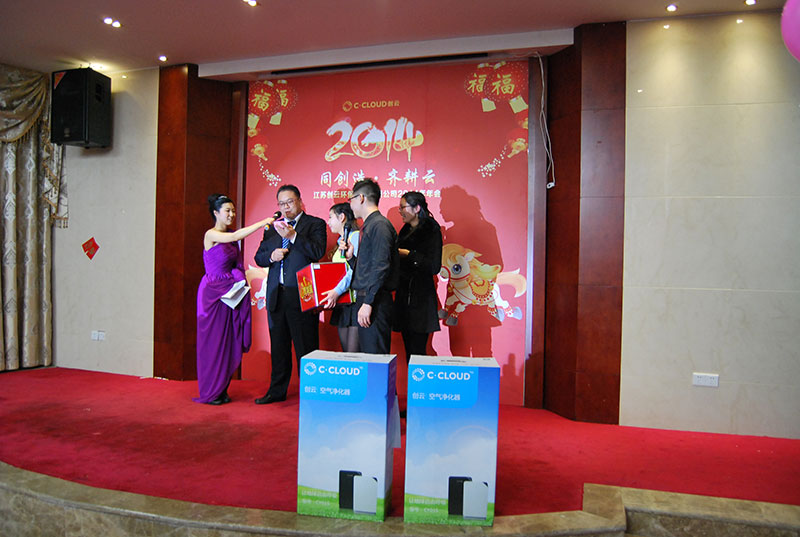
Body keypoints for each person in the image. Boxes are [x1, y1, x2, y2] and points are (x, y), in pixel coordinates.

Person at [195, 194, 276, 405]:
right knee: (213, 343)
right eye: (227, 211)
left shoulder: (230, 234)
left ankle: (221, 388)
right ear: (216, 213)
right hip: (212, 296)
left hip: (230, 292)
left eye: (233, 210)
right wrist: (263, 222)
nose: (231, 214)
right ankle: (210, 391)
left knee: (227, 341)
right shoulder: (211, 234)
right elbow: (238, 236)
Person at [253, 185, 327, 404]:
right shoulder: (272, 227)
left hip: (302, 296)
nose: (286, 207)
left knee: (306, 347)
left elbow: (317, 252)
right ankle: (276, 391)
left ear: (300, 201)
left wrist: (293, 236)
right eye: (282, 203)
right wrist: (271, 256)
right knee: (279, 347)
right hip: (277, 294)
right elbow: (259, 257)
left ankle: (311, 394)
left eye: (290, 202)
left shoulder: (315, 224)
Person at [348, 178, 398, 354]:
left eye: (351, 199)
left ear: (361, 198)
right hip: (367, 298)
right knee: (368, 356)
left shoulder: (379, 225)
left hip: (375, 301)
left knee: (375, 356)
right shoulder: (370, 225)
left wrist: (369, 302)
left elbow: (381, 266)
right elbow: (369, 267)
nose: (350, 205)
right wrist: (351, 258)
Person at [393, 191, 443, 362]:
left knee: (418, 352)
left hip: (421, 300)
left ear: (417, 208)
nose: (400, 211)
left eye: (403, 207)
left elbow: (434, 266)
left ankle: (420, 381)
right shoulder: (405, 230)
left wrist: (409, 254)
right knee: (408, 351)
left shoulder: (431, 229)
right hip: (404, 298)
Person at [320, 203, 361, 352]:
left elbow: (354, 269)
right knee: (346, 355)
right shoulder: (340, 241)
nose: (328, 222)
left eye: (330, 217)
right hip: (342, 302)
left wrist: (337, 291)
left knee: (353, 355)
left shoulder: (355, 237)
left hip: (355, 301)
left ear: (342, 217)